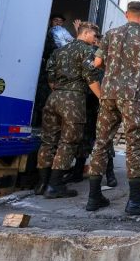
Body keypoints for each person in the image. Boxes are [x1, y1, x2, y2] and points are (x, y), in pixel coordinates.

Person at [85, 1, 140, 214]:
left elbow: (97, 64)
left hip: (108, 93)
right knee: (134, 142)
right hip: (130, 96)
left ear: (126, 14)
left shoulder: (110, 34)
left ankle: (93, 197)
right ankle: (135, 201)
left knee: (101, 142)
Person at [36, 22, 102, 199]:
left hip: (54, 97)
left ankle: (42, 183)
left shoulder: (59, 51)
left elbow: (50, 77)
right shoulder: (87, 51)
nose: (96, 39)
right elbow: (91, 78)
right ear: (86, 33)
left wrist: (60, 91)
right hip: (73, 99)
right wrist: (102, 99)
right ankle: (55, 185)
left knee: (48, 141)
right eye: (95, 36)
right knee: (68, 142)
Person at [67, 31, 117, 188]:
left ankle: (110, 174)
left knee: (104, 139)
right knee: (84, 138)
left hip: (102, 104)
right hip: (88, 102)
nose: (96, 44)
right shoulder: (89, 57)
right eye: (95, 42)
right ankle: (77, 171)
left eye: (98, 43)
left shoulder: (109, 61)